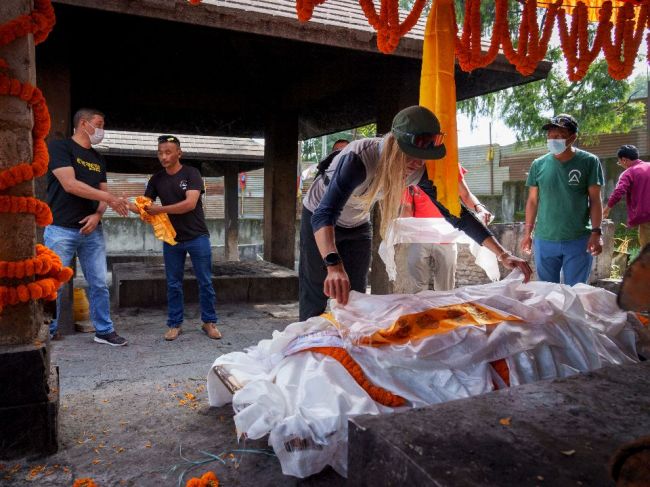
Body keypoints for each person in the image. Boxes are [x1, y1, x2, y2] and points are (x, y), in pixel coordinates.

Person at [299, 105, 532, 321]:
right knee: (318, 288)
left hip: (357, 223)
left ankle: (349, 353)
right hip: (319, 218)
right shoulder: (359, 159)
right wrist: (333, 264)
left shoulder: (419, 170)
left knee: (356, 295)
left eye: (424, 157)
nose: (417, 163)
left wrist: (502, 254)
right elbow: (324, 214)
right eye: (410, 154)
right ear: (393, 143)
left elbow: (455, 213)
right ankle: (303, 350)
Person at [45, 108, 129, 345]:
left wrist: (97, 215)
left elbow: (103, 195)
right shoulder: (60, 148)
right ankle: (48, 330)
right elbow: (70, 184)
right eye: (99, 124)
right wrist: (112, 200)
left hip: (92, 230)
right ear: (84, 124)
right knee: (54, 284)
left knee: (99, 282)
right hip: (61, 228)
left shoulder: (98, 158)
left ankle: (103, 330)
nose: (102, 130)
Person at [128, 135, 220, 341]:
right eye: (160, 152)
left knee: (205, 281)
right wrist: (125, 204)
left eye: (168, 152)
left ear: (179, 153)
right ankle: (174, 324)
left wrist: (159, 209)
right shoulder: (157, 179)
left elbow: (189, 204)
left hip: (198, 236)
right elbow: (146, 207)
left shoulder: (192, 173)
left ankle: (209, 322)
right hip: (172, 239)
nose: (163, 156)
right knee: (173, 283)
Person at [520, 114, 604, 285]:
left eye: (559, 136)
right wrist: (528, 233)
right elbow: (532, 201)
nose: (553, 140)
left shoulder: (589, 162)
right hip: (545, 240)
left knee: (575, 292)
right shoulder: (538, 164)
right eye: (550, 136)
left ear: (572, 138)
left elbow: (595, 200)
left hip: (579, 239)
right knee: (546, 293)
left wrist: (596, 232)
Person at [397, 165, 493, 292]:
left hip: (447, 236)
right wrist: (402, 230)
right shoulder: (414, 166)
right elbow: (407, 207)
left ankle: (444, 311)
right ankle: (421, 311)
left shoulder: (450, 164)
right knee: (417, 287)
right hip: (420, 237)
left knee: (445, 288)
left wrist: (479, 208)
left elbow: (465, 195)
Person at [603, 145, 650, 248]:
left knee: (647, 253)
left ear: (624, 160)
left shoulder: (629, 173)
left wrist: (607, 209)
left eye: (619, 162)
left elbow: (619, 191)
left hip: (647, 217)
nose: (620, 164)